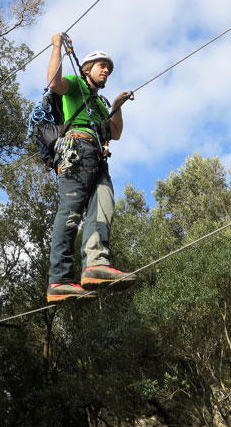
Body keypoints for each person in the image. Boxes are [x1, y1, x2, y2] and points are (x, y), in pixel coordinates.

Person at [45, 32, 136, 303]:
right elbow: (53, 82)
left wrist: (116, 107)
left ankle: (96, 264)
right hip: (77, 150)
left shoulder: (99, 103)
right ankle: (59, 279)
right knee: (70, 213)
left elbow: (116, 132)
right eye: (101, 66)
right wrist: (57, 47)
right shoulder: (75, 84)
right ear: (87, 69)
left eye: (108, 67)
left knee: (104, 206)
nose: (106, 70)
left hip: (97, 157)